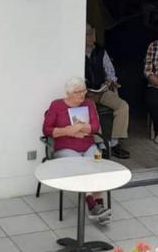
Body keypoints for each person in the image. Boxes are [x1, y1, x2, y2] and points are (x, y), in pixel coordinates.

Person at [43, 77, 112, 225]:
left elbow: (94, 127)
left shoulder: (89, 104)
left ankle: (97, 206)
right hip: (65, 147)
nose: (82, 95)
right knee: (81, 169)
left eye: (84, 91)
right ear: (68, 93)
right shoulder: (57, 105)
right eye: (78, 92)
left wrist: (79, 127)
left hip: (88, 145)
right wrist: (67, 131)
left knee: (98, 168)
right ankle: (93, 206)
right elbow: (47, 130)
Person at [85, 23, 130, 159]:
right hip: (85, 93)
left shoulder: (100, 51)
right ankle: (101, 145)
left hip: (101, 90)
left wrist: (110, 82)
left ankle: (114, 143)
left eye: (93, 33)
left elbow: (110, 72)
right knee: (91, 108)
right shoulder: (75, 52)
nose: (92, 37)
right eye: (89, 34)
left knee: (123, 106)